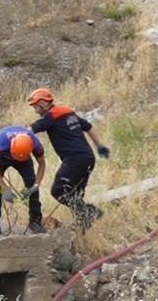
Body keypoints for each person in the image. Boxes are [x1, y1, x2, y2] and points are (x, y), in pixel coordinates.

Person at [26, 87, 109, 230]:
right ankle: (82, 228)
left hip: (74, 159)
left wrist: (12, 135)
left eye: (35, 105)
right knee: (75, 195)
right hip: (88, 158)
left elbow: (28, 131)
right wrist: (99, 146)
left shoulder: (50, 117)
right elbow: (88, 127)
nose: (34, 109)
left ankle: (90, 212)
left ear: (44, 104)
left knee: (58, 191)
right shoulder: (67, 112)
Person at [0, 125, 46, 238]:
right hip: (4, 156)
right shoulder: (0, 145)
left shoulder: (35, 143)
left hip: (23, 155)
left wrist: (36, 185)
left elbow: (42, 164)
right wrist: (4, 187)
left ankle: (35, 221)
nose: (16, 161)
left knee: (31, 183)